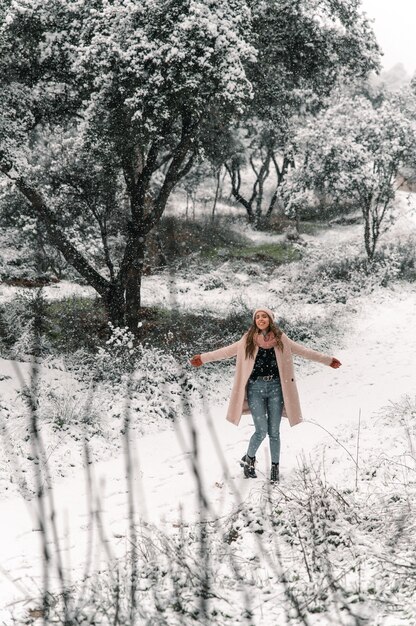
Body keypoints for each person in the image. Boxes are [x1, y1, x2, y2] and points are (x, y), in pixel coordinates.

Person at [190, 307, 341, 483]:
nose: (261, 319)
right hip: (255, 389)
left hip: (276, 388)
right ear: (255, 321)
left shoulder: (281, 339)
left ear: (270, 319)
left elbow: (304, 351)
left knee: (274, 432)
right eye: (258, 317)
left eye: (264, 316)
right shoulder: (248, 340)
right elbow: (225, 352)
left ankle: (275, 467)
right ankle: (249, 459)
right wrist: (203, 357)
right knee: (261, 431)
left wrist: (328, 360)